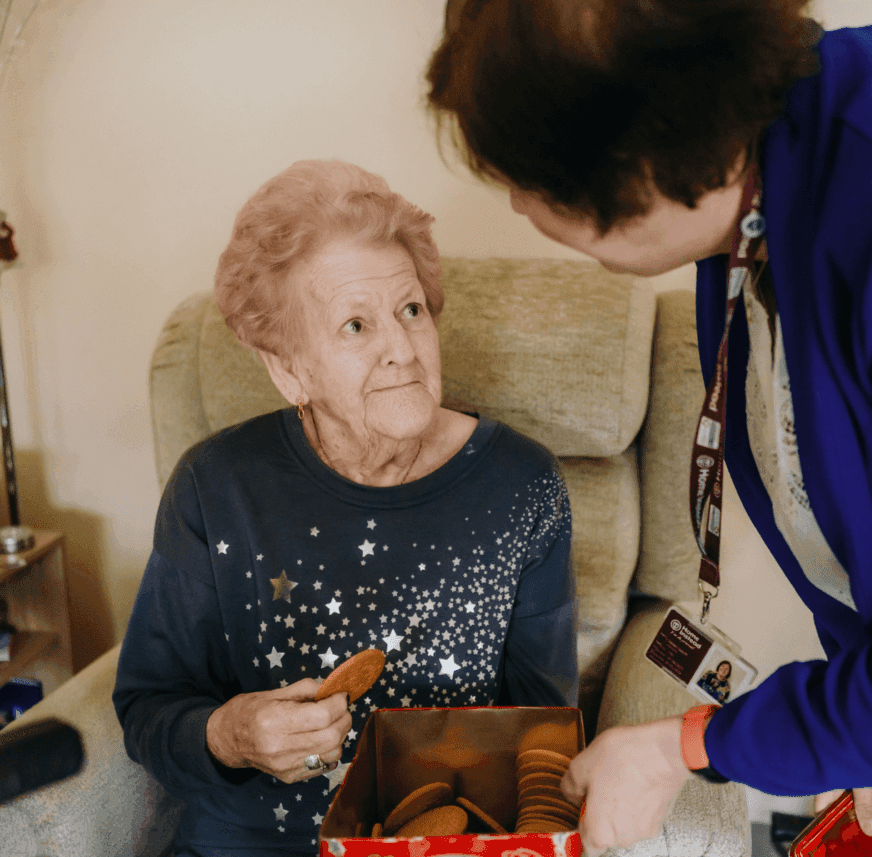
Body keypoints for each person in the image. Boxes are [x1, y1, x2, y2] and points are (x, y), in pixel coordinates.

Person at [425, 2, 872, 855]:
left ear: (652, 166)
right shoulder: (756, 181)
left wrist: (686, 745)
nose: (514, 203)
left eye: (538, 183)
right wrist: (871, 726)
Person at [113, 159, 578, 857]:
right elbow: (148, 705)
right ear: (289, 367)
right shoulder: (214, 487)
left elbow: (543, 731)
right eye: (355, 325)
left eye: (410, 310)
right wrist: (230, 733)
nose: (401, 349)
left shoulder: (523, 486)